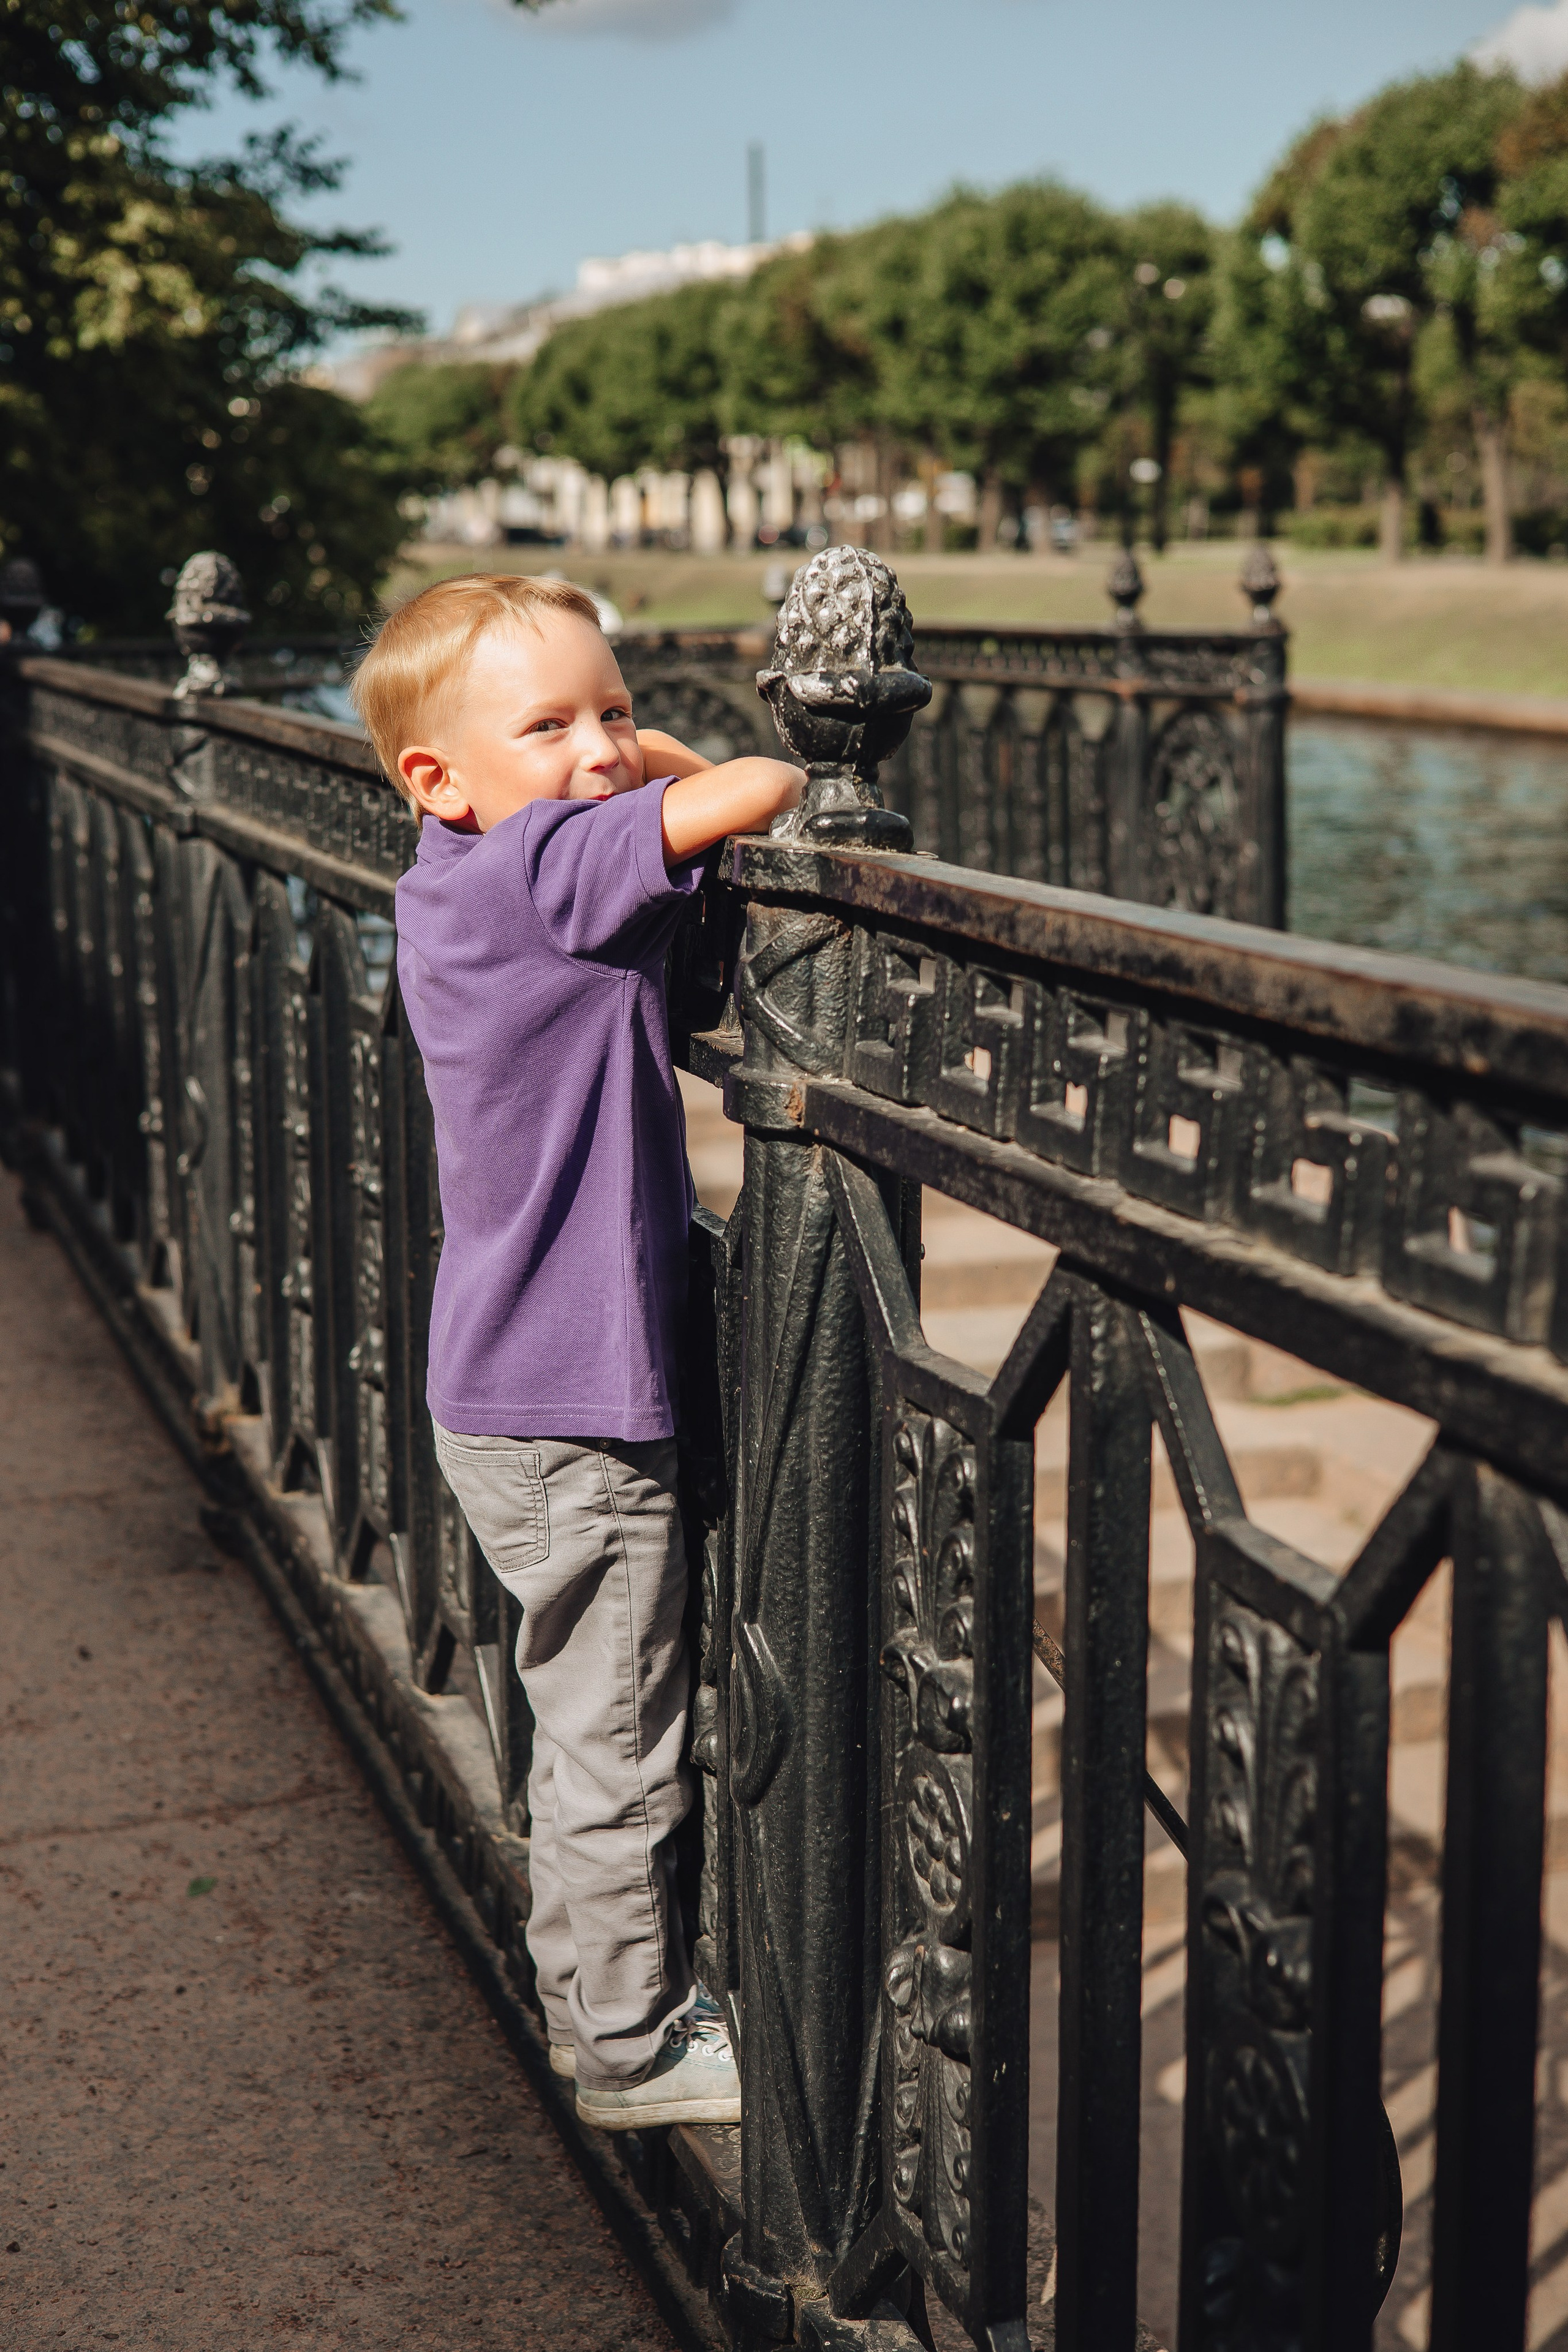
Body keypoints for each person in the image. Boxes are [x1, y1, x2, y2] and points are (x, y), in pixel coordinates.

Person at [350, 572, 802, 2128]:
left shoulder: (452, 875)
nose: (598, 748)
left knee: (588, 1708)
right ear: (440, 780)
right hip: (573, 1406)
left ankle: (614, 1994)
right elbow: (766, 785)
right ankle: (621, 2048)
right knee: (616, 1732)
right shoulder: (541, 864)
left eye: (610, 708)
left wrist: (575, 747)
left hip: (509, 1382)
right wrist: (669, 752)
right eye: (549, 724)